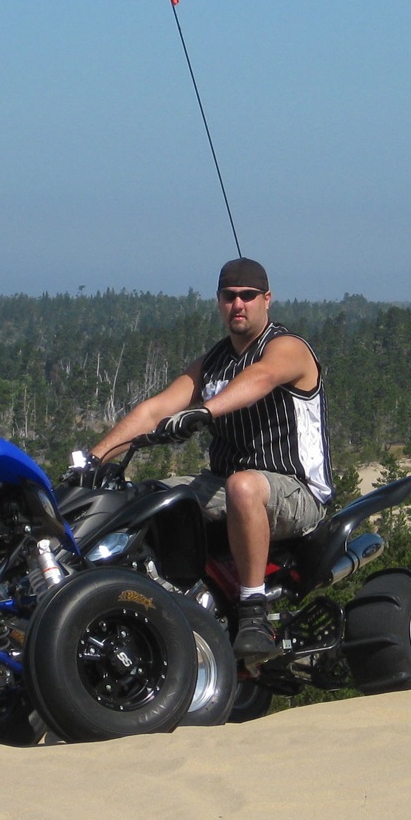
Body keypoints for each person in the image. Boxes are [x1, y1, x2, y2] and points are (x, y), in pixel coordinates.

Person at [88, 257, 333, 659]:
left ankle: (253, 612)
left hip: (296, 490)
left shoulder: (287, 348)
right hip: (223, 485)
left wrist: (204, 411)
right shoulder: (214, 362)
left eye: (248, 296)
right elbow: (154, 410)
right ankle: (160, 597)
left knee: (244, 486)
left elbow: (262, 378)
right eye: (229, 296)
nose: (238, 304)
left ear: (267, 299)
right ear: (218, 301)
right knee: (145, 498)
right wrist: (94, 460)